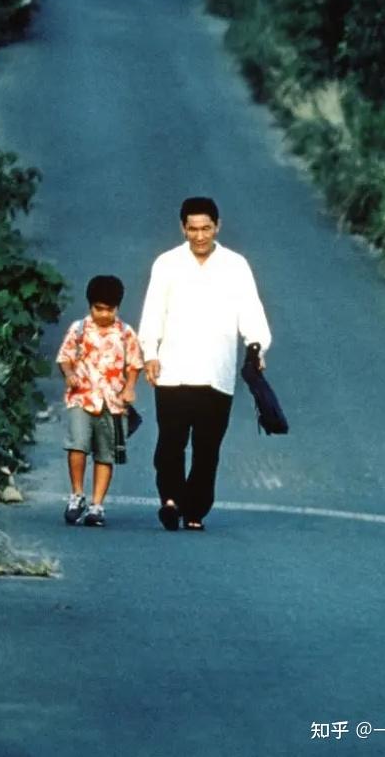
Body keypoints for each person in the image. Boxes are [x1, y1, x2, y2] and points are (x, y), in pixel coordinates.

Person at [139, 196, 272, 531]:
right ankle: (170, 499)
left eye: (206, 228)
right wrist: (150, 354)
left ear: (217, 227)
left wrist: (256, 347)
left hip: (216, 371)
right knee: (170, 440)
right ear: (183, 228)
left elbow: (251, 311)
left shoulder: (235, 266)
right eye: (193, 229)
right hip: (173, 369)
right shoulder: (167, 264)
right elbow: (153, 311)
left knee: (207, 446)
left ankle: (195, 508)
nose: (200, 236)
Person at [56, 275, 143, 527]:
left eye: (110, 309)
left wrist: (129, 388)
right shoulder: (79, 329)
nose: (104, 314)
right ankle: (76, 495)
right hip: (82, 396)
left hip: (112, 402)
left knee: (105, 454)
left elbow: (134, 364)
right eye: (98, 309)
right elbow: (65, 357)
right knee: (77, 445)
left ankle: (97, 504)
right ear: (90, 306)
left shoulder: (125, 333)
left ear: (117, 308)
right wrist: (70, 374)